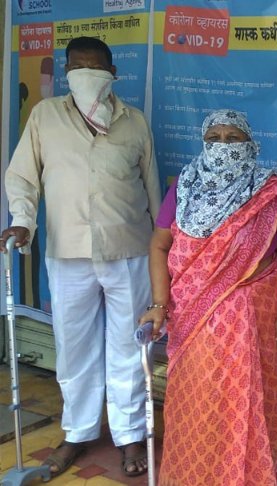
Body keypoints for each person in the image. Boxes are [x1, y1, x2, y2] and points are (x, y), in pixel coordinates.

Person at [1, 36, 159, 478]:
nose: (87, 74)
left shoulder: (134, 122)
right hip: (68, 251)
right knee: (74, 348)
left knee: (131, 346)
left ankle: (129, 435)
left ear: (113, 74)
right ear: (67, 73)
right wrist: (22, 221)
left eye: (96, 67)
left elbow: (152, 188)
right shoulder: (45, 117)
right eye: (78, 67)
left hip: (129, 249)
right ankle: (78, 431)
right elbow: (23, 177)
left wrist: (163, 249)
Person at [138, 109, 277, 486]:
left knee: (250, 405)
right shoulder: (184, 187)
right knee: (199, 403)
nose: (223, 146)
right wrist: (159, 304)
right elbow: (160, 245)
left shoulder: (269, 192)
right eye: (214, 138)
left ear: (249, 143)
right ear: (203, 143)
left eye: (233, 138)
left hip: (255, 325)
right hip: (194, 325)